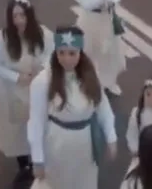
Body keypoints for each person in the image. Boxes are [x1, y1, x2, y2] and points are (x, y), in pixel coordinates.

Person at [27, 25, 118, 189]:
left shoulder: (91, 76)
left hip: (85, 144)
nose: (66, 59)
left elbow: (103, 107)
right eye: (61, 53)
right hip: (57, 143)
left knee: (83, 181)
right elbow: (36, 122)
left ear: (80, 53)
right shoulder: (43, 81)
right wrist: (38, 159)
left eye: (72, 53)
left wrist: (111, 136)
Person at [0, 0, 53, 182]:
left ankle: (39, 159)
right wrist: (17, 77)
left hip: (37, 91)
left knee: (39, 125)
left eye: (22, 15)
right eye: (14, 16)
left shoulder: (43, 34)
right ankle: (24, 163)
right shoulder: (3, 38)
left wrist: (42, 70)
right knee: (17, 130)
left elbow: (51, 54)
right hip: (13, 93)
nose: (19, 20)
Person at [75, 0, 126, 96]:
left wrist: (112, 0)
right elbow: (85, 3)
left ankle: (108, 82)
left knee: (110, 52)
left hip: (106, 19)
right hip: (90, 21)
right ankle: (85, 81)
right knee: (88, 51)